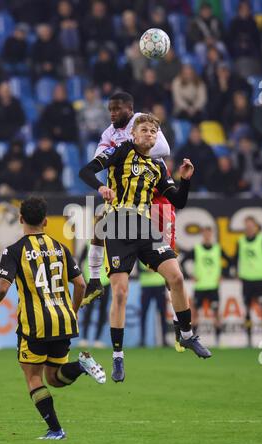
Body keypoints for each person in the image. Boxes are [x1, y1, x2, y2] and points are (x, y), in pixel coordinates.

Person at [79, 113, 212, 382]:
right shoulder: (122, 151)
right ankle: (118, 357)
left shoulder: (158, 166)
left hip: (144, 227)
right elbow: (86, 171)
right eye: (145, 129)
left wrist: (185, 180)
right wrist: (102, 187)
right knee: (120, 293)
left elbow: (179, 201)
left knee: (176, 276)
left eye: (154, 131)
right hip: (117, 225)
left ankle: (186, 335)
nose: (150, 134)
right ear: (134, 134)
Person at [0, 196, 106, 440]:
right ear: (46, 221)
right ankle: (80, 366)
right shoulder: (60, 247)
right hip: (63, 320)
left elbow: (2, 288)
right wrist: (73, 309)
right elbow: (80, 284)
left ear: (20, 219)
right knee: (54, 378)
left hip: (35, 325)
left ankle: (56, 430)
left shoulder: (15, 250)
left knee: (34, 377)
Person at [80, 91, 181, 350]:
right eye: (110, 109)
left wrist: (133, 144)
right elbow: (97, 159)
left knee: (170, 253)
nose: (112, 113)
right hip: (126, 191)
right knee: (102, 220)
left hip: (154, 186)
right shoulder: (108, 134)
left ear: (130, 109)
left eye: (117, 109)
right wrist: (120, 155)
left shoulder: (142, 122)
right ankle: (93, 280)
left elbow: (164, 149)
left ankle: (181, 325)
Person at [181, 226, 231, 345]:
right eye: (205, 233)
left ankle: (218, 341)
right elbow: (183, 262)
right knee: (195, 314)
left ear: (212, 234)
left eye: (209, 233)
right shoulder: (197, 249)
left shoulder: (217, 249)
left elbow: (229, 261)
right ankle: (193, 341)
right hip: (200, 287)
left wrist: (223, 273)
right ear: (203, 235)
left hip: (213, 286)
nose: (207, 236)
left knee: (216, 314)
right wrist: (190, 275)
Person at [234, 216, 262, 347]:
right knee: (247, 310)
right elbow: (235, 258)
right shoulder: (240, 241)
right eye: (246, 226)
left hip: (259, 279)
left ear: (255, 227)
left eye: (251, 226)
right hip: (246, 280)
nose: (248, 228)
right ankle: (248, 340)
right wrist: (234, 271)